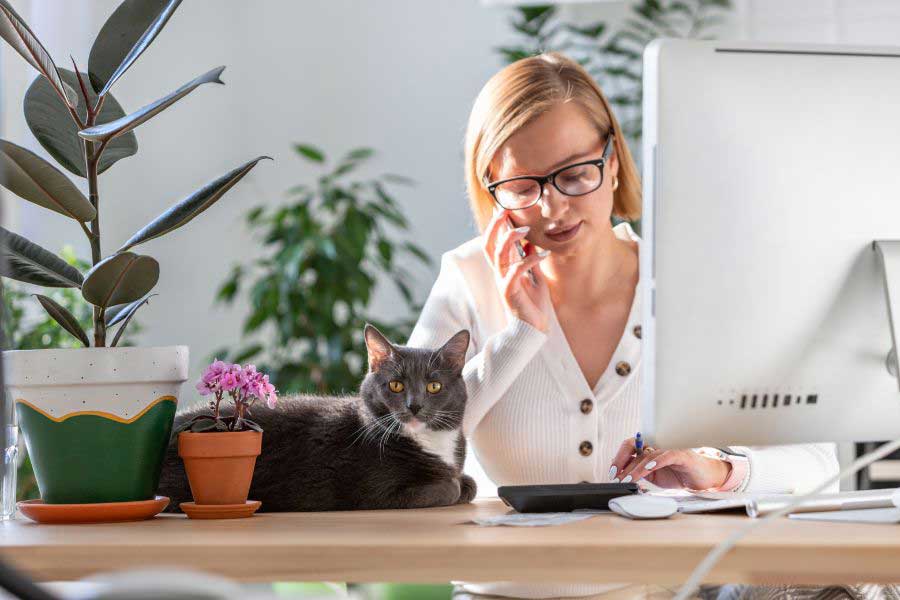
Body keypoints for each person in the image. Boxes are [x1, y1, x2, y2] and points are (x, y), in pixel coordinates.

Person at [407, 52, 839, 600]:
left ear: (612, 162)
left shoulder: (690, 282)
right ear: (491, 187)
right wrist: (522, 332)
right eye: (522, 186)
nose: (553, 208)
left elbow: (820, 467)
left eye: (574, 174)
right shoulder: (468, 278)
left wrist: (720, 471)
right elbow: (403, 453)